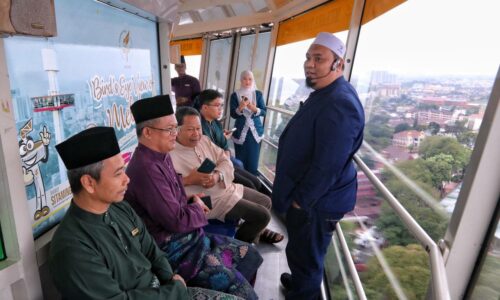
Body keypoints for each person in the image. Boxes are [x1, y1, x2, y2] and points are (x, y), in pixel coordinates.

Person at [49, 126, 240, 299]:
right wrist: (175, 290)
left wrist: (171, 279)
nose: (127, 179)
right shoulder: (72, 246)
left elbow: (152, 252)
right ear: (89, 183)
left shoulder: (120, 208)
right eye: (118, 174)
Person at [125, 95, 262, 300]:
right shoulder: (146, 168)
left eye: (175, 128)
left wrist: (190, 201)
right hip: (174, 249)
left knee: (251, 254)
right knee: (242, 291)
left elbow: (175, 196)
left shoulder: (161, 155)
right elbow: (176, 221)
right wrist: (197, 206)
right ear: (147, 132)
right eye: (170, 129)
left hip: (191, 238)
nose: (175, 134)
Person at [272, 32, 365, 300]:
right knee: (301, 252)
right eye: (308, 57)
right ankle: (301, 284)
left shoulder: (340, 103)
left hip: (317, 203)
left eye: (319, 59)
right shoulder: (326, 92)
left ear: (339, 64)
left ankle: (304, 293)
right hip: (314, 199)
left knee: (308, 258)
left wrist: (301, 202)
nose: (310, 64)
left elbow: (328, 166)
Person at [170, 106, 283, 244]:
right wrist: (188, 180)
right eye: (190, 129)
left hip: (225, 187)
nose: (196, 134)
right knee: (262, 216)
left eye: (198, 128)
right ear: (177, 129)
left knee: (266, 201)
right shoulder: (170, 152)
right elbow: (165, 186)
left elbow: (225, 160)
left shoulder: (204, 141)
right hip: (206, 200)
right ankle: (241, 249)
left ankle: (254, 234)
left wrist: (217, 176)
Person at [198, 88, 263, 191]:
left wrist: (226, 155)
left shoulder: (216, 123)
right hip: (215, 166)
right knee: (250, 184)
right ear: (205, 107)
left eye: (222, 105)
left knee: (256, 182)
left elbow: (224, 146)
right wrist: (225, 160)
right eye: (217, 105)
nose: (220, 109)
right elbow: (207, 154)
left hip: (224, 161)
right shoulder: (198, 127)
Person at [230, 70, 266, 175]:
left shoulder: (258, 94)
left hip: (255, 132)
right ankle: (241, 182)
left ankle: (252, 182)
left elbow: (264, 111)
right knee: (240, 159)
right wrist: (240, 107)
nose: (247, 81)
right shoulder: (235, 95)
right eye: (245, 78)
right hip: (240, 131)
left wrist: (254, 109)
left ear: (253, 80)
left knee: (253, 160)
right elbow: (233, 114)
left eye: (250, 79)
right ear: (241, 80)